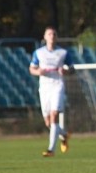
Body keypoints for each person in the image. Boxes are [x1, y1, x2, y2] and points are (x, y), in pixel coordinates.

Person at [29, 26, 74, 157]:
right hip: (44, 88)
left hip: (57, 85)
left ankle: (51, 150)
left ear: (57, 37)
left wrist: (65, 71)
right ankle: (64, 135)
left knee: (54, 116)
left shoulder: (63, 53)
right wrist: (39, 72)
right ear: (44, 37)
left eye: (54, 34)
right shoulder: (39, 53)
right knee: (48, 122)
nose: (52, 36)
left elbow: (72, 69)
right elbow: (32, 69)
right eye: (49, 34)